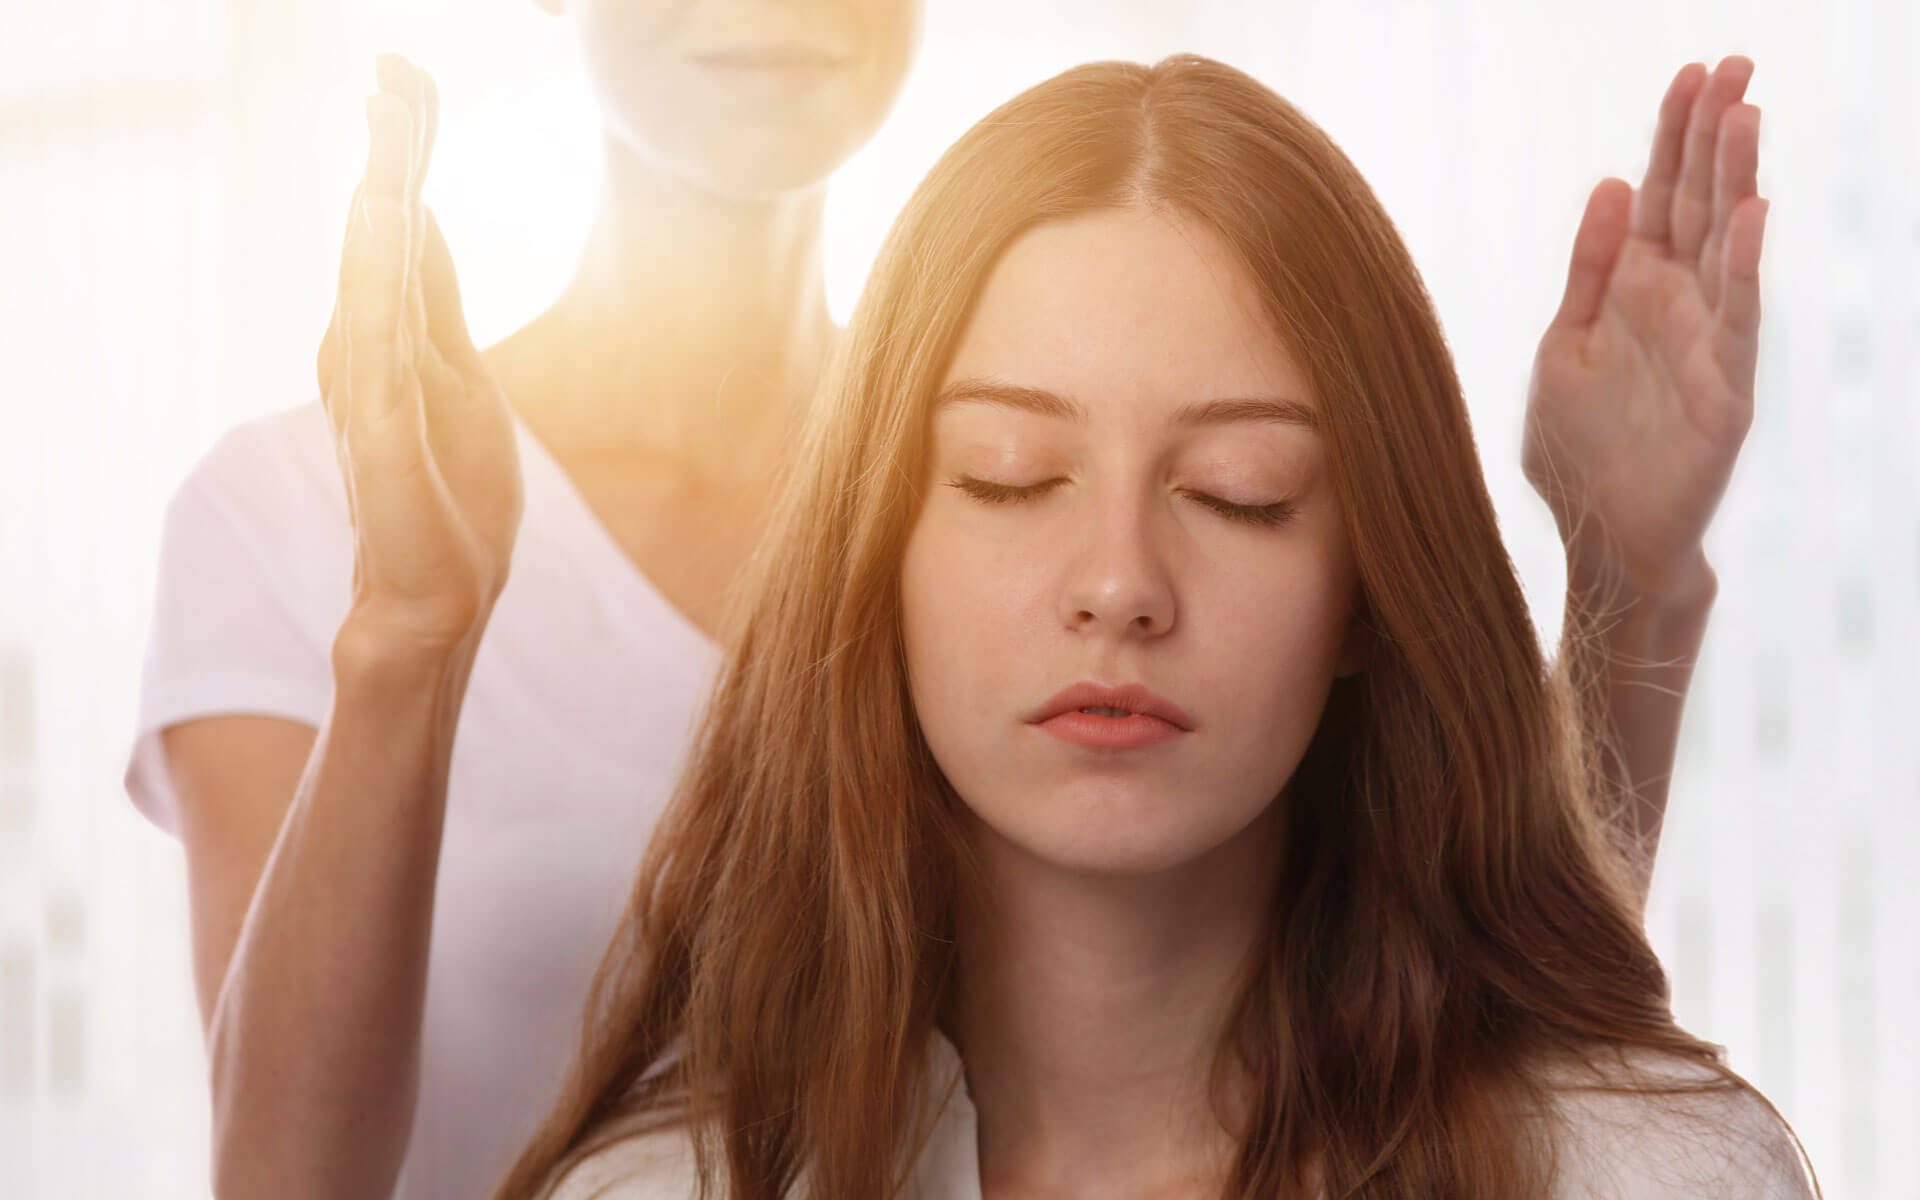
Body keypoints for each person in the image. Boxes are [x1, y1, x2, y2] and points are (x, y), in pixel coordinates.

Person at [120, 1, 1759, 1195]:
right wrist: (407, 632)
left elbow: (1491, 920)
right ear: (879, 564)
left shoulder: (1628, 1159)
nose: (1113, 584)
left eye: (1242, 496)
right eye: (1004, 482)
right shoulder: (311, 508)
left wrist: (1624, 586)